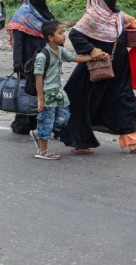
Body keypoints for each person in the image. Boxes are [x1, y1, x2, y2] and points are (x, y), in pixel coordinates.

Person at [60, 0, 136, 155]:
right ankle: (78, 139)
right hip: (96, 68)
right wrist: (92, 49)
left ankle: (133, 141)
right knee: (85, 102)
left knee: (125, 100)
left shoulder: (118, 15)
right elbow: (75, 34)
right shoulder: (92, 15)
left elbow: (134, 27)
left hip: (120, 67)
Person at [31, 20, 100, 160]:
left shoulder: (60, 51)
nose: (64, 35)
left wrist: (93, 57)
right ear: (50, 37)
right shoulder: (42, 56)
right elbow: (38, 78)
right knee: (47, 121)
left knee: (64, 118)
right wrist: (40, 99)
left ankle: (39, 132)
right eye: (61, 33)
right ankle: (42, 150)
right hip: (47, 94)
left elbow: (75, 58)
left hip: (58, 93)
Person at [6, 0, 54, 134]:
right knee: (28, 91)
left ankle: (43, 123)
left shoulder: (45, 13)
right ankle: (23, 123)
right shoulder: (22, 14)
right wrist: (17, 62)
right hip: (28, 60)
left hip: (46, 58)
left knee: (47, 90)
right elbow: (18, 41)